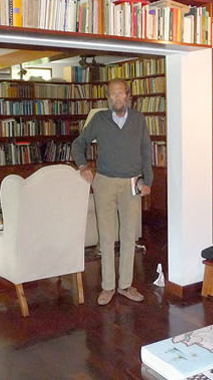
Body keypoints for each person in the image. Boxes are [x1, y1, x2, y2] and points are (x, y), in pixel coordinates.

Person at [71, 78, 152, 306]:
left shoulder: (138, 119)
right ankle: (107, 287)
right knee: (106, 237)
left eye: (121, 93)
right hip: (104, 182)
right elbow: (79, 144)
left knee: (128, 236)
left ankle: (125, 285)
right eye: (112, 94)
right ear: (108, 98)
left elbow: (146, 151)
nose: (117, 97)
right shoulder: (99, 119)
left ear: (128, 95)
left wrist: (148, 180)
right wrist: (83, 166)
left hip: (132, 183)